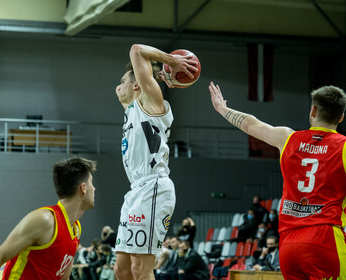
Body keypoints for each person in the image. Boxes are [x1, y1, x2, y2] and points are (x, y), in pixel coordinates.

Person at [209, 82, 346, 279]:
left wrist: (222, 108)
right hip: (324, 238)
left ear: (313, 110)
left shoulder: (287, 138)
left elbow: (251, 124)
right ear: (341, 117)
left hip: (289, 245)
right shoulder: (343, 147)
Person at [113, 44, 198, 280]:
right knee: (121, 269)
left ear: (138, 84)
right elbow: (138, 62)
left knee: (141, 268)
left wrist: (172, 61)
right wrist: (157, 70)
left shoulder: (151, 103)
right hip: (135, 192)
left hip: (153, 188)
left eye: (123, 81)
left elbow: (136, 50)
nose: (117, 86)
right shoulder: (130, 110)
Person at [0, 157, 97, 280]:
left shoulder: (75, 229)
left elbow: (63, 277)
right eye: (91, 183)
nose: (94, 188)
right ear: (83, 188)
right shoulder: (45, 220)